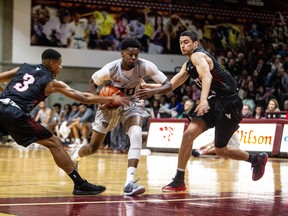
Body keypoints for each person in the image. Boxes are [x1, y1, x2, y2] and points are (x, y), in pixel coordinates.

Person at [136, 30, 268, 192]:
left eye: (186, 42)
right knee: (188, 135)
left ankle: (256, 159)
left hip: (229, 102)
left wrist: (203, 99)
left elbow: (207, 77)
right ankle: (179, 180)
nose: (183, 45)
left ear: (196, 44)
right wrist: (149, 87)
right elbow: (171, 86)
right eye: (181, 43)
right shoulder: (188, 65)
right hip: (214, 101)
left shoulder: (198, 56)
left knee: (221, 150)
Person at [0, 48, 129, 195]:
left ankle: (80, 183)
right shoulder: (52, 82)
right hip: (15, 113)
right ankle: (79, 184)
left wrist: (4, 96)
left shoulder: (23, 68)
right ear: (51, 63)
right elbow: (83, 98)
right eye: (60, 64)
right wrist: (111, 98)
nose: (61, 67)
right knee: (54, 142)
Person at [70, 38, 172, 196]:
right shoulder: (110, 69)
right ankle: (76, 156)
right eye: (130, 54)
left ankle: (129, 182)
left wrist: (153, 91)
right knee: (92, 148)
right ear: (122, 53)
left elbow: (168, 84)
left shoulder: (145, 66)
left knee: (136, 134)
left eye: (136, 55)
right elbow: (92, 82)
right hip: (109, 106)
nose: (133, 58)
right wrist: (100, 100)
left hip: (131, 104)